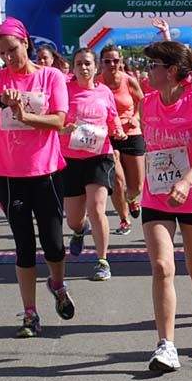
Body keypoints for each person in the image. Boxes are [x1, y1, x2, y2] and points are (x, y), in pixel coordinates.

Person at [0, 18, 75, 337]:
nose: (9, 58)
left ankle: (57, 284)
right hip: (10, 175)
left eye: (12, 50)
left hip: (47, 172)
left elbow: (58, 121)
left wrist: (25, 116)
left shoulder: (50, 76)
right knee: (24, 246)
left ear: (26, 43)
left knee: (54, 246)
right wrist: (0, 100)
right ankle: (30, 314)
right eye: (2, 53)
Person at [139, 40, 192, 370]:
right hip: (156, 195)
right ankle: (166, 345)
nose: (148, 72)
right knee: (161, 266)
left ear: (171, 71)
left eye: (153, 66)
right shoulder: (147, 103)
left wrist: (185, 181)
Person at [61, 47, 125, 281]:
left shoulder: (104, 91)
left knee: (97, 208)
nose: (84, 67)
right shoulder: (65, 90)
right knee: (73, 218)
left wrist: (117, 129)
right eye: (79, 63)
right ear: (73, 67)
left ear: (96, 67)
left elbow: (112, 116)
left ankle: (102, 260)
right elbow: (54, 118)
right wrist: (63, 128)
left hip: (99, 156)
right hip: (70, 158)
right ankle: (79, 231)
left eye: (88, 63)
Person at [99, 44, 146, 236]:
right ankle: (124, 219)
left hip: (131, 133)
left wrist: (136, 116)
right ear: (101, 63)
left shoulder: (129, 80)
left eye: (116, 60)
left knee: (136, 185)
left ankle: (132, 198)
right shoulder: (97, 83)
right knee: (117, 180)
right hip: (108, 136)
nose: (112, 64)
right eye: (107, 61)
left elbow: (142, 101)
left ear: (121, 62)